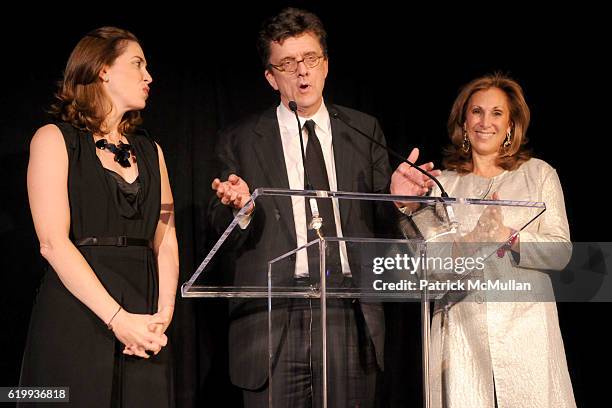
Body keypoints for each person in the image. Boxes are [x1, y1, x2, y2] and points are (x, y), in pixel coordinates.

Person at [209, 7, 435, 407]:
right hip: (273, 316)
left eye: (311, 59)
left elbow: (382, 225)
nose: (302, 73)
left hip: (348, 312)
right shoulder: (240, 139)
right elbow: (216, 229)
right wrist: (240, 209)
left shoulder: (363, 131)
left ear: (326, 64)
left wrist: (397, 199)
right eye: (288, 63)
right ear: (270, 77)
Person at [19, 27, 178, 407]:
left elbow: (166, 234)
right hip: (78, 312)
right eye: (137, 64)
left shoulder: (151, 150)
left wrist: (163, 314)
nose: (148, 76)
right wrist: (118, 319)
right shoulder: (53, 139)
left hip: (144, 320)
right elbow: (52, 243)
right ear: (103, 70)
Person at [419, 73, 576, 407]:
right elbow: (430, 271)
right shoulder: (441, 186)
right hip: (461, 335)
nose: (484, 122)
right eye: (476, 112)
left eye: (496, 113)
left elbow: (561, 251)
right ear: (463, 121)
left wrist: (509, 236)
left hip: (527, 333)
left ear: (511, 125)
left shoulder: (539, 174)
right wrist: (471, 239)